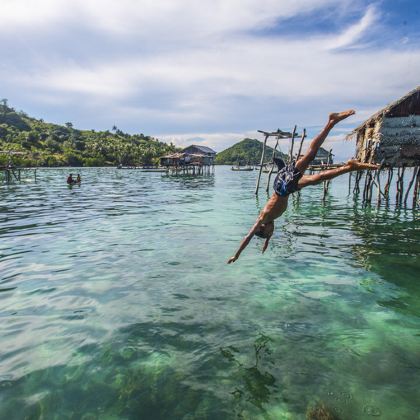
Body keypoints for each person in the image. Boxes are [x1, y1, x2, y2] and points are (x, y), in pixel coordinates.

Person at [227, 110, 379, 264]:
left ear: (262, 228)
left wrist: (237, 255)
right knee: (318, 178)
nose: (272, 232)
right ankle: (350, 167)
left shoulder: (263, 218)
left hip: (283, 186)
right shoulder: (269, 222)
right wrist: (266, 243)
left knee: (310, 155)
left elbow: (248, 237)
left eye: (268, 233)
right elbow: (268, 235)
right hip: (288, 189)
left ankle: (331, 122)